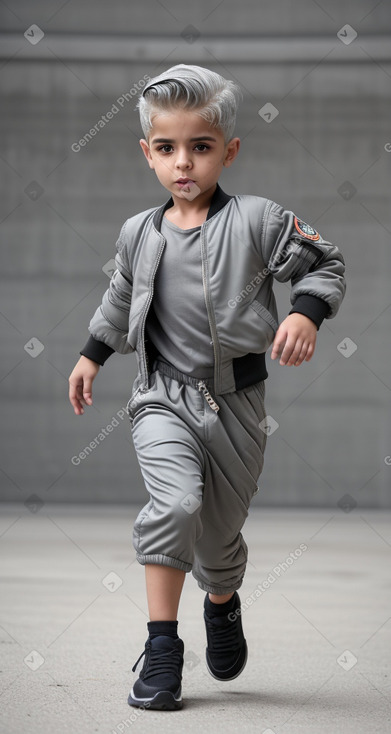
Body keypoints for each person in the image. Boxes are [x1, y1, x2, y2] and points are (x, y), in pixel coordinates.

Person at [68, 64, 346, 711]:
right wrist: (91, 356)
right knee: (175, 503)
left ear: (228, 150)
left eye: (200, 146)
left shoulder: (257, 220)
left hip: (238, 406)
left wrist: (304, 311)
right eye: (166, 148)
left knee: (218, 537)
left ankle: (220, 603)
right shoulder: (139, 232)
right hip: (161, 397)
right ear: (147, 153)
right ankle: (162, 646)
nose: (183, 162)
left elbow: (324, 260)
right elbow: (119, 301)